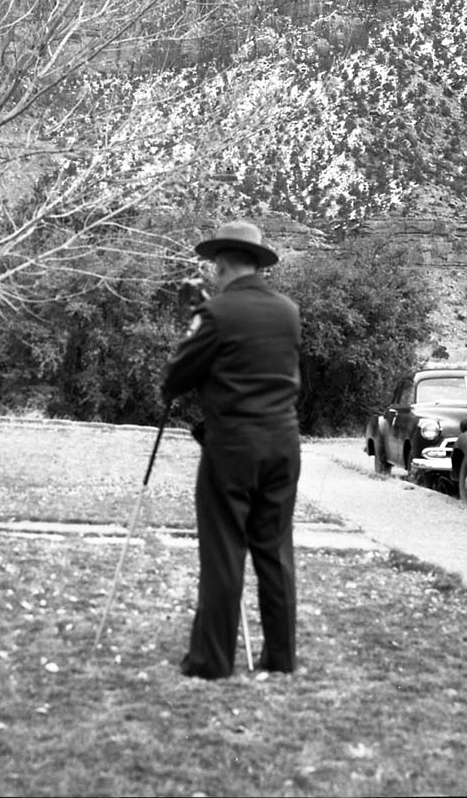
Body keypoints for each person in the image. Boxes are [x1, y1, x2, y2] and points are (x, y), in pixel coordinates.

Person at [161, 220, 302, 680]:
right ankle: (281, 657)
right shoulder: (288, 312)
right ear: (257, 263)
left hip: (233, 447)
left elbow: (175, 379)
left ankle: (212, 661)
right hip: (283, 443)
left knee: (224, 551)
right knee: (275, 551)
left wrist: (194, 325)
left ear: (220, 264)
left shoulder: (216, 314)